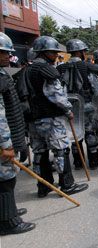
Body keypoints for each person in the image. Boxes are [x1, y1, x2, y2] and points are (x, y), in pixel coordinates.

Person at [29, 36, 88, 197]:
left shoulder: (28, 69)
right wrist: (68, 110)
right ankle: (66, 184)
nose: (56, 55)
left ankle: (44, 186)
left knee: (40, 152)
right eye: (53, 52)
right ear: (44, 52)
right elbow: (56, 94)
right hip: (50, 116)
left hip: (33, 118)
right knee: (61, 150)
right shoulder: (46, 69)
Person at [57, 39, 98, 170]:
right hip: (87, 105)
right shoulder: (88, 66)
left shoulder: (60, 68)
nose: (84, 53)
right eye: (83, 51)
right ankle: (94, 161)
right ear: (79, 52)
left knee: (76, 134)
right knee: (90, 132)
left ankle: (78, 162)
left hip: (70, 107)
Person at [0, 32, 35, 236]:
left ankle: (7, 210)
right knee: (5, 180)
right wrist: (6, 145)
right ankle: (8, 222)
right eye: (3, 52)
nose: (8, 56)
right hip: (2, 140)